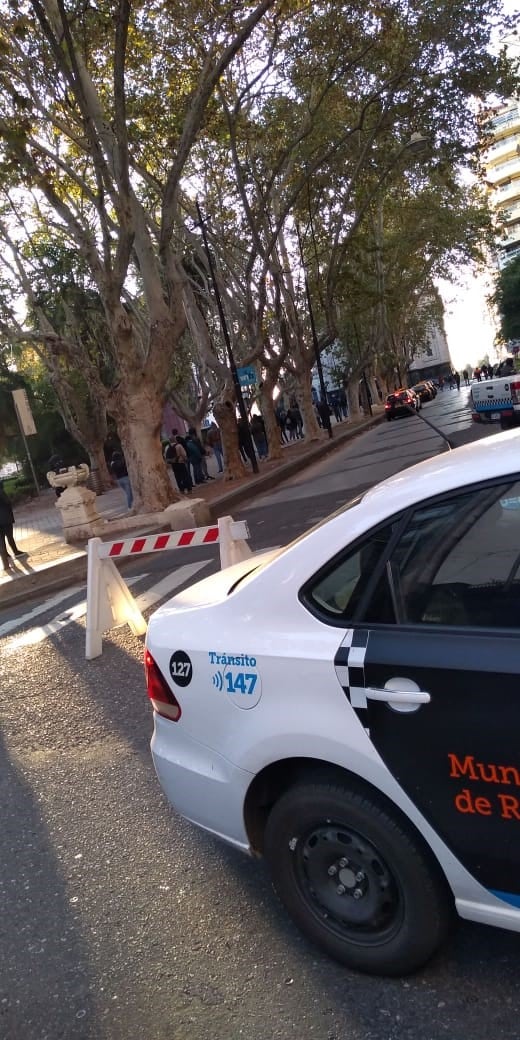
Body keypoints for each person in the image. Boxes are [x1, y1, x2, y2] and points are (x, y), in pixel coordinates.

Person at [0, 480, 28, 575]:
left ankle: (5, 554)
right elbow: (7, 502)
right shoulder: (1, 491)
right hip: (5, 518)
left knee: (1, 539)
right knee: (9, 536)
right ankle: (15, 551)